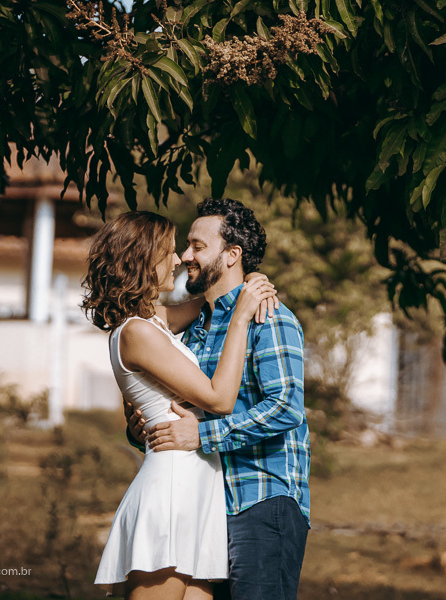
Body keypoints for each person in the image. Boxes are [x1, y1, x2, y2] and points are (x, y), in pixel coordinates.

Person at [82, 211, 277, 600]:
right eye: (167, 252)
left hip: (198, 484)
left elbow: (212, 299)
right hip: (172, 484)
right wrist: (240, 320)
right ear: (140, 260)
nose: (177, 260)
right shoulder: (136, 333)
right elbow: (220, 398)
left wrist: (251, 277)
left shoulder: (153, 320)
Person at [125, 198, 311, 600]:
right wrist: (141, 426)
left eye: (197, 246)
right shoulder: (193, 328)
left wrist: (202, 436)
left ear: (232, 256)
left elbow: (285, 407)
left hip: (262, 497)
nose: (185, 256)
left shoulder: (269, 316)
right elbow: (178, 411)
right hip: (207, 504)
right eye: (186, 246)